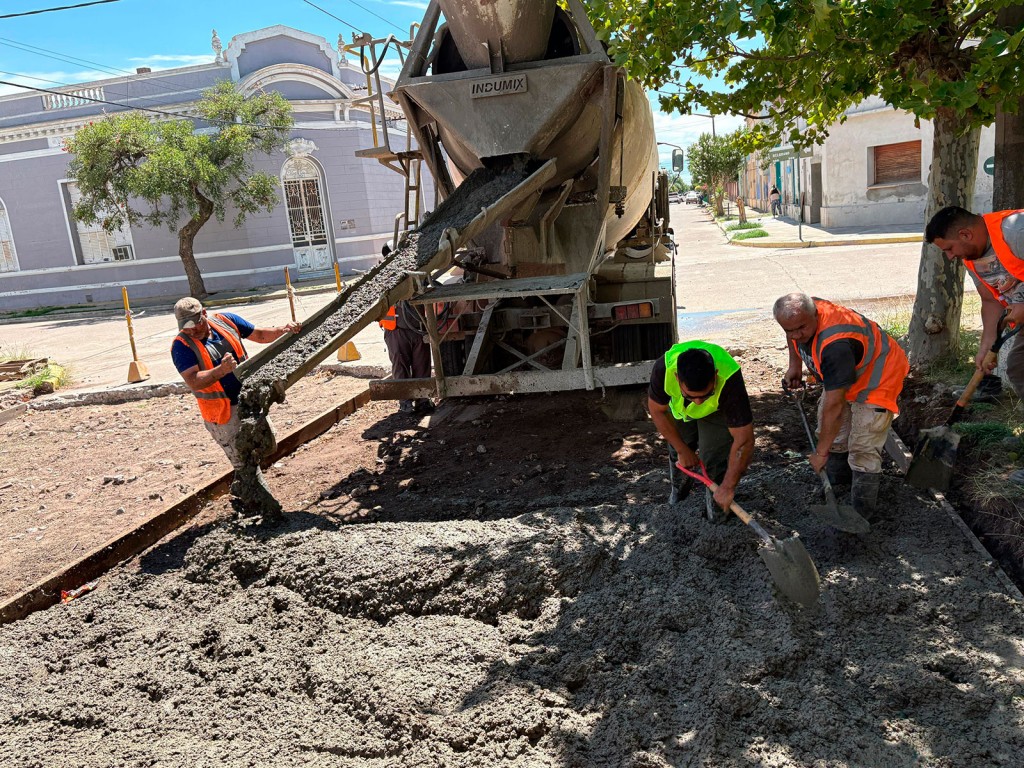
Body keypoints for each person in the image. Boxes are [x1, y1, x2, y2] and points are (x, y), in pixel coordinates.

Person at [774, 293, 909, 520]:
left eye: (801, 328)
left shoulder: (835, 346)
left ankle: (861, 513)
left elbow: (835, 405)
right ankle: (838, 486)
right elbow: (794, 333)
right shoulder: (800, 315)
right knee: (833, 434)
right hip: (846, 371)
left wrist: (820, 453)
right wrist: (794, 364)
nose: (796, 335)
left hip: (879, 375)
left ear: (815, 315)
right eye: (789, 330)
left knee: (863, 445)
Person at [171, 297, 301, 469]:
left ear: (204, 314)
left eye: (195, 324)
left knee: (267, 447)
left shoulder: (226, 321)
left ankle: (257, 477)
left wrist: (282, 330)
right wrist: (221, 370)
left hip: (249, 400)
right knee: (243, 460)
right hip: (223, 414)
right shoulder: (181, 346)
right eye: (186, 328)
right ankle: (247, 483)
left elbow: (259, 334)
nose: (192, 331)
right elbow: (193, 380)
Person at [648, 341, 755, 521]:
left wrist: (728, 487)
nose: (698, 402)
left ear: (715, 375)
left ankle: (717, 514)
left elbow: (744, 440)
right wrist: (682, 449)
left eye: (705, 394)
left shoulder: (729, 378)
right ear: (677, 378)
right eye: (691, 395)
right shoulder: (663, 369)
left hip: (717, 411)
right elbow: (657, 411)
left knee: (714, 456)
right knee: (679, 451)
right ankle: (678, 495)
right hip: (682, 411)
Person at [925, 206, 1024, 397]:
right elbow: (990, 300)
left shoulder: (1016, 231)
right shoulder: (971, 258)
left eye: (949, 249)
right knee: (1019, 367)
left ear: (965, 235)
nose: (950, 256)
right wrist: (987, 343)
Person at [380, 242, 434, 414]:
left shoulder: (418, 271)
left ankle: (423, 400)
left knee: (421, 365)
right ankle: (405, 401)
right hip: (395, 329)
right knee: (400, 366)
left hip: (417, 326)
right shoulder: (383, 276)